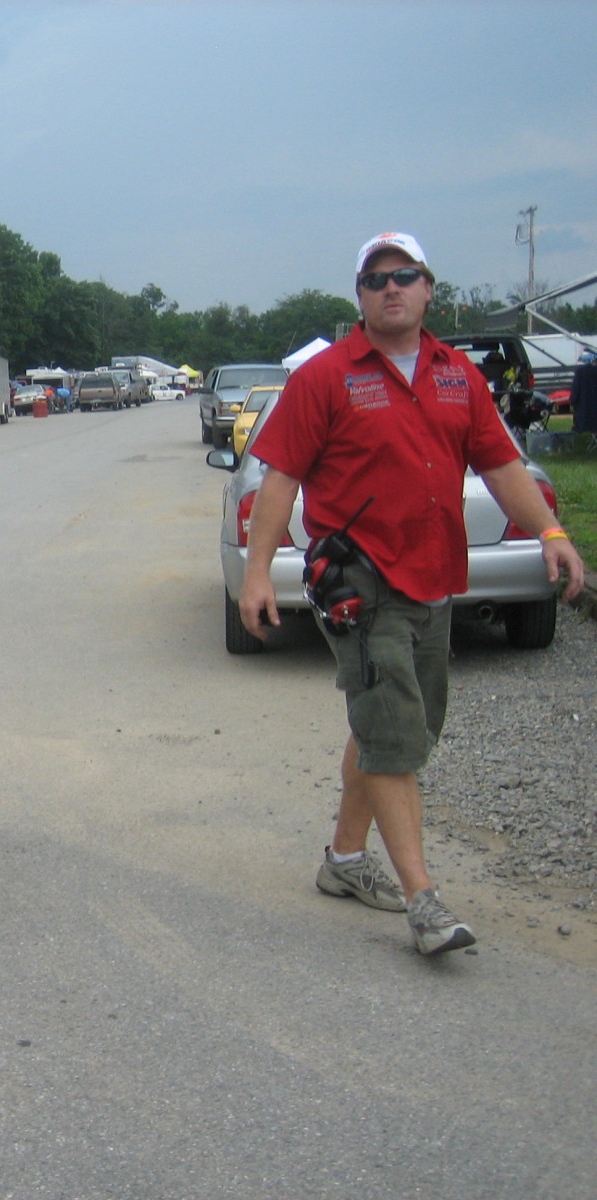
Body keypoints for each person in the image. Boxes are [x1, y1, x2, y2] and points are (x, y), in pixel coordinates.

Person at [238, 232, 586, 957]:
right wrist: (257, 573)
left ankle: (343, 860)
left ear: (429, 289)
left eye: (404, 276)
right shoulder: (326, 378)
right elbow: (280, 478)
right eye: (376, 279)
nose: (390, 288)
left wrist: (551, 533)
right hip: (359, 582)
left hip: (435, 576)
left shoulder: (458, 375)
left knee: (398, 724)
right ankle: (424, 901)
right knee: (394, 731)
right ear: (359, 296)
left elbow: (500, 464)